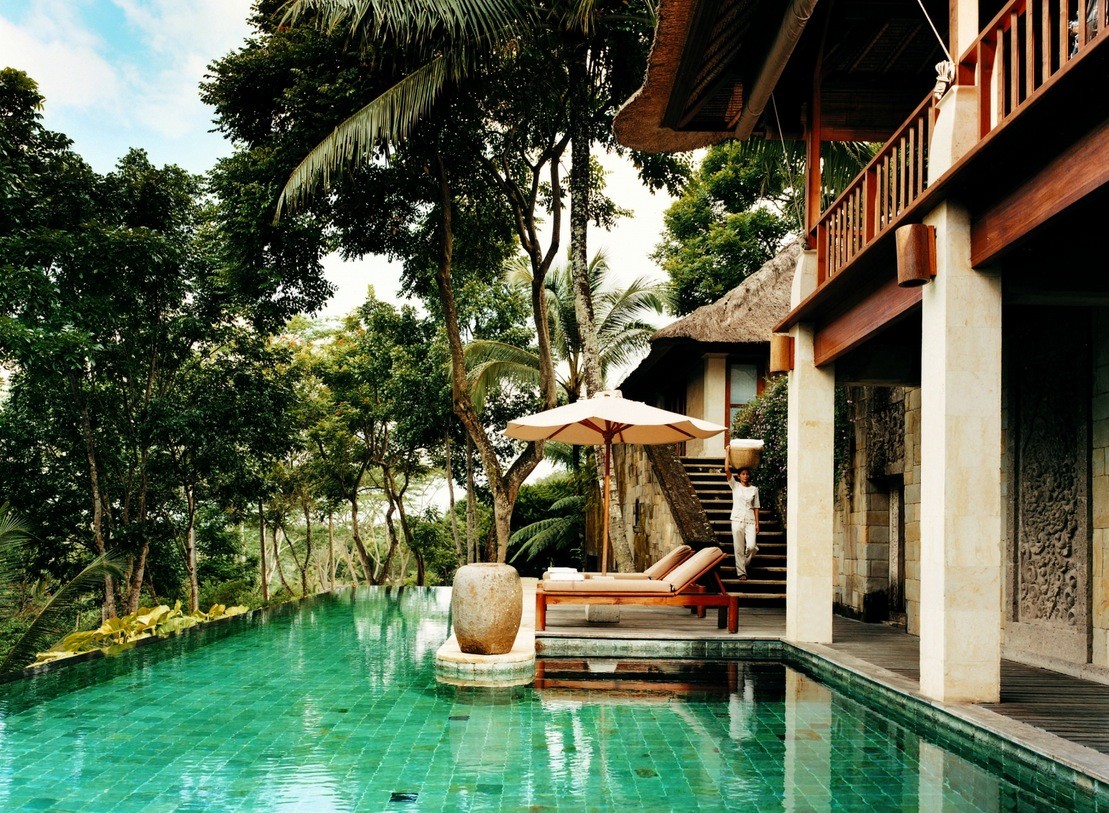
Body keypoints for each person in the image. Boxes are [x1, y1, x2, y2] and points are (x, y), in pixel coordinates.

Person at [725, 463, 760, 580]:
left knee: (752, 546)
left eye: (747, 474)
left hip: (750, 521)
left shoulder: (754, 489)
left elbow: (756, 507)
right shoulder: (735, 486)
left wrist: (757, 523)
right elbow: (726, 469)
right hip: (737, 519)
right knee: (739, 547)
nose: (745, 476)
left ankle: (743, 564)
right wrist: (727, 454)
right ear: (739, 476)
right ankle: (741, 572)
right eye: (743, 474)